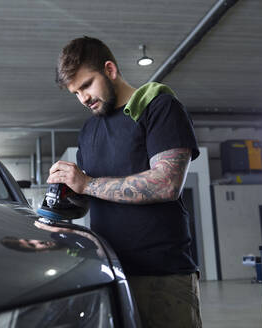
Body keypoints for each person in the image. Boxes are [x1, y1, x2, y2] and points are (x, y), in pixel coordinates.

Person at [47, 36, 202, 328]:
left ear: (110, 69)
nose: (83, 98)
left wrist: (86, 184)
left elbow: (166, 183)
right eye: (75, 92)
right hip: (110, 273)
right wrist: (58, 205)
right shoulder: (89, 129)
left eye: (86, 85)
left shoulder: (159, 106)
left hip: (162, 276)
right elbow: (89, 197)